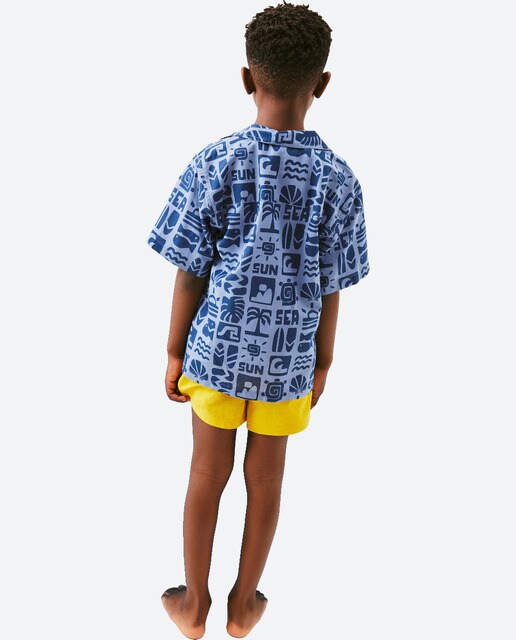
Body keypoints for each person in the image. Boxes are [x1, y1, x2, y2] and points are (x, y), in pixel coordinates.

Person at [146, 3, 370, 638]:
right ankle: (244, 606)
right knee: (267, 481)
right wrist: (323, 362)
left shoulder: (216, 162)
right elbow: (332, 286)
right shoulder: (339, 180)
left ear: (247, 78)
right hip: (289, 361)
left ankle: (194, 604)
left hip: (217, 352)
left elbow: (188, 273)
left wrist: (174, 351)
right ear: (322, 83)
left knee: (205, 473)